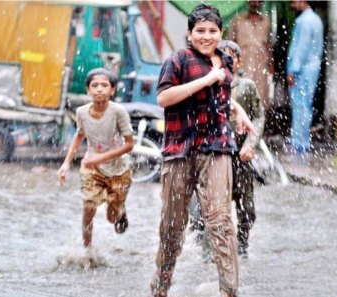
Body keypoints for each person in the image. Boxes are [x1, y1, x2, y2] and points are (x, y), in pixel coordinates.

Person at [150, 4, 256, 297]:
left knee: (220, 221)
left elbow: (222, 96)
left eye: (212, 31)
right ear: (189, 33)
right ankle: (160, 288)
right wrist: (207, 79)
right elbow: (164, 98)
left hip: (217, 148)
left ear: (221, 33)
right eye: (200, 31)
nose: (206, 36)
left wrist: (240, 111)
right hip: (180, 148)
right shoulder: (178, 59)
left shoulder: (225, 61)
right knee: (172, 226)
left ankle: (229, 291)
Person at [190, 40, 265, 260]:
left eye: (232, 56)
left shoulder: (246, 86)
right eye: (222, 56)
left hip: (240, 153)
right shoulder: (205, 83)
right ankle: (206, 252)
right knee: (210, 206)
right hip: (213, 152)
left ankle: (241, 247)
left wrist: (251, 144)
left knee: (246, 207)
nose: (226, 60)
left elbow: (258, 116)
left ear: (239, 61)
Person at [57, 68, 134, 248]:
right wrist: (66, 163)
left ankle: (119, 211)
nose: (99, 89)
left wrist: (99, 158)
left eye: (104, 85)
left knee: (111, 217)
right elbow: (79, 135)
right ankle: (87, 248)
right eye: (95, 85)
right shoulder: (82, 112)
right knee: (89, 206)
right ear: (88, 90)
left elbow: (130, 144)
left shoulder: (118, 112)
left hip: (119, 171)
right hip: (93, 169)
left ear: (112, 90)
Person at [286, 0, 323, 154]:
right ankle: (302, 139)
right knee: (305, 104)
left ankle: (299, 142)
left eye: (294, 2)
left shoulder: (304, 22)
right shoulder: (316, 20)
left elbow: (301, 47)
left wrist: (293, 70)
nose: (293, 5)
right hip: (312, 67)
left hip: (303, 69)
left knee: (300, 105)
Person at [227, 0, 274, 109]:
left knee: (261, 99)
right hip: (242, 66)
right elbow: (230, 45)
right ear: (248, 2)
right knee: (241, 98)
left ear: (261, 3)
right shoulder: (238, 20)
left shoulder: (266, 21)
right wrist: (231, 66)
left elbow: (268, 45)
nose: (255, 4)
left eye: (258, 1)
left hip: (261, 67)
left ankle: (258, 125)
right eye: (253, 1)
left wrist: (271, 64)